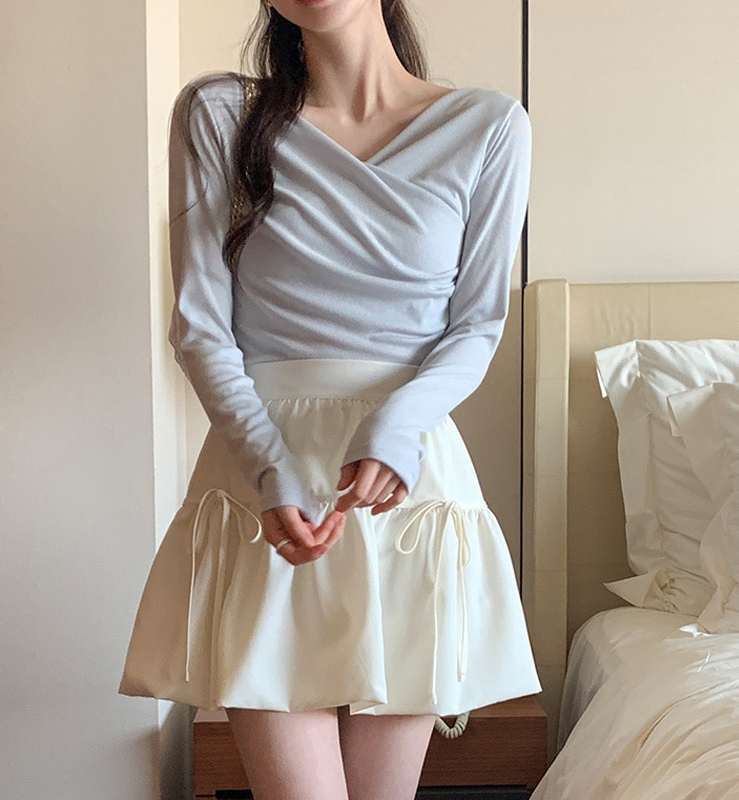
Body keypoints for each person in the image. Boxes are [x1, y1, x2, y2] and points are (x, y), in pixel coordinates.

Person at [119, 1, 542, 798]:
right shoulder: (220, 113)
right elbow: (200, 328)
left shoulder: (488, 126)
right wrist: (268, 466)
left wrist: (398, 426)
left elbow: (478, 324)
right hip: (262, 483)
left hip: (407, 493)